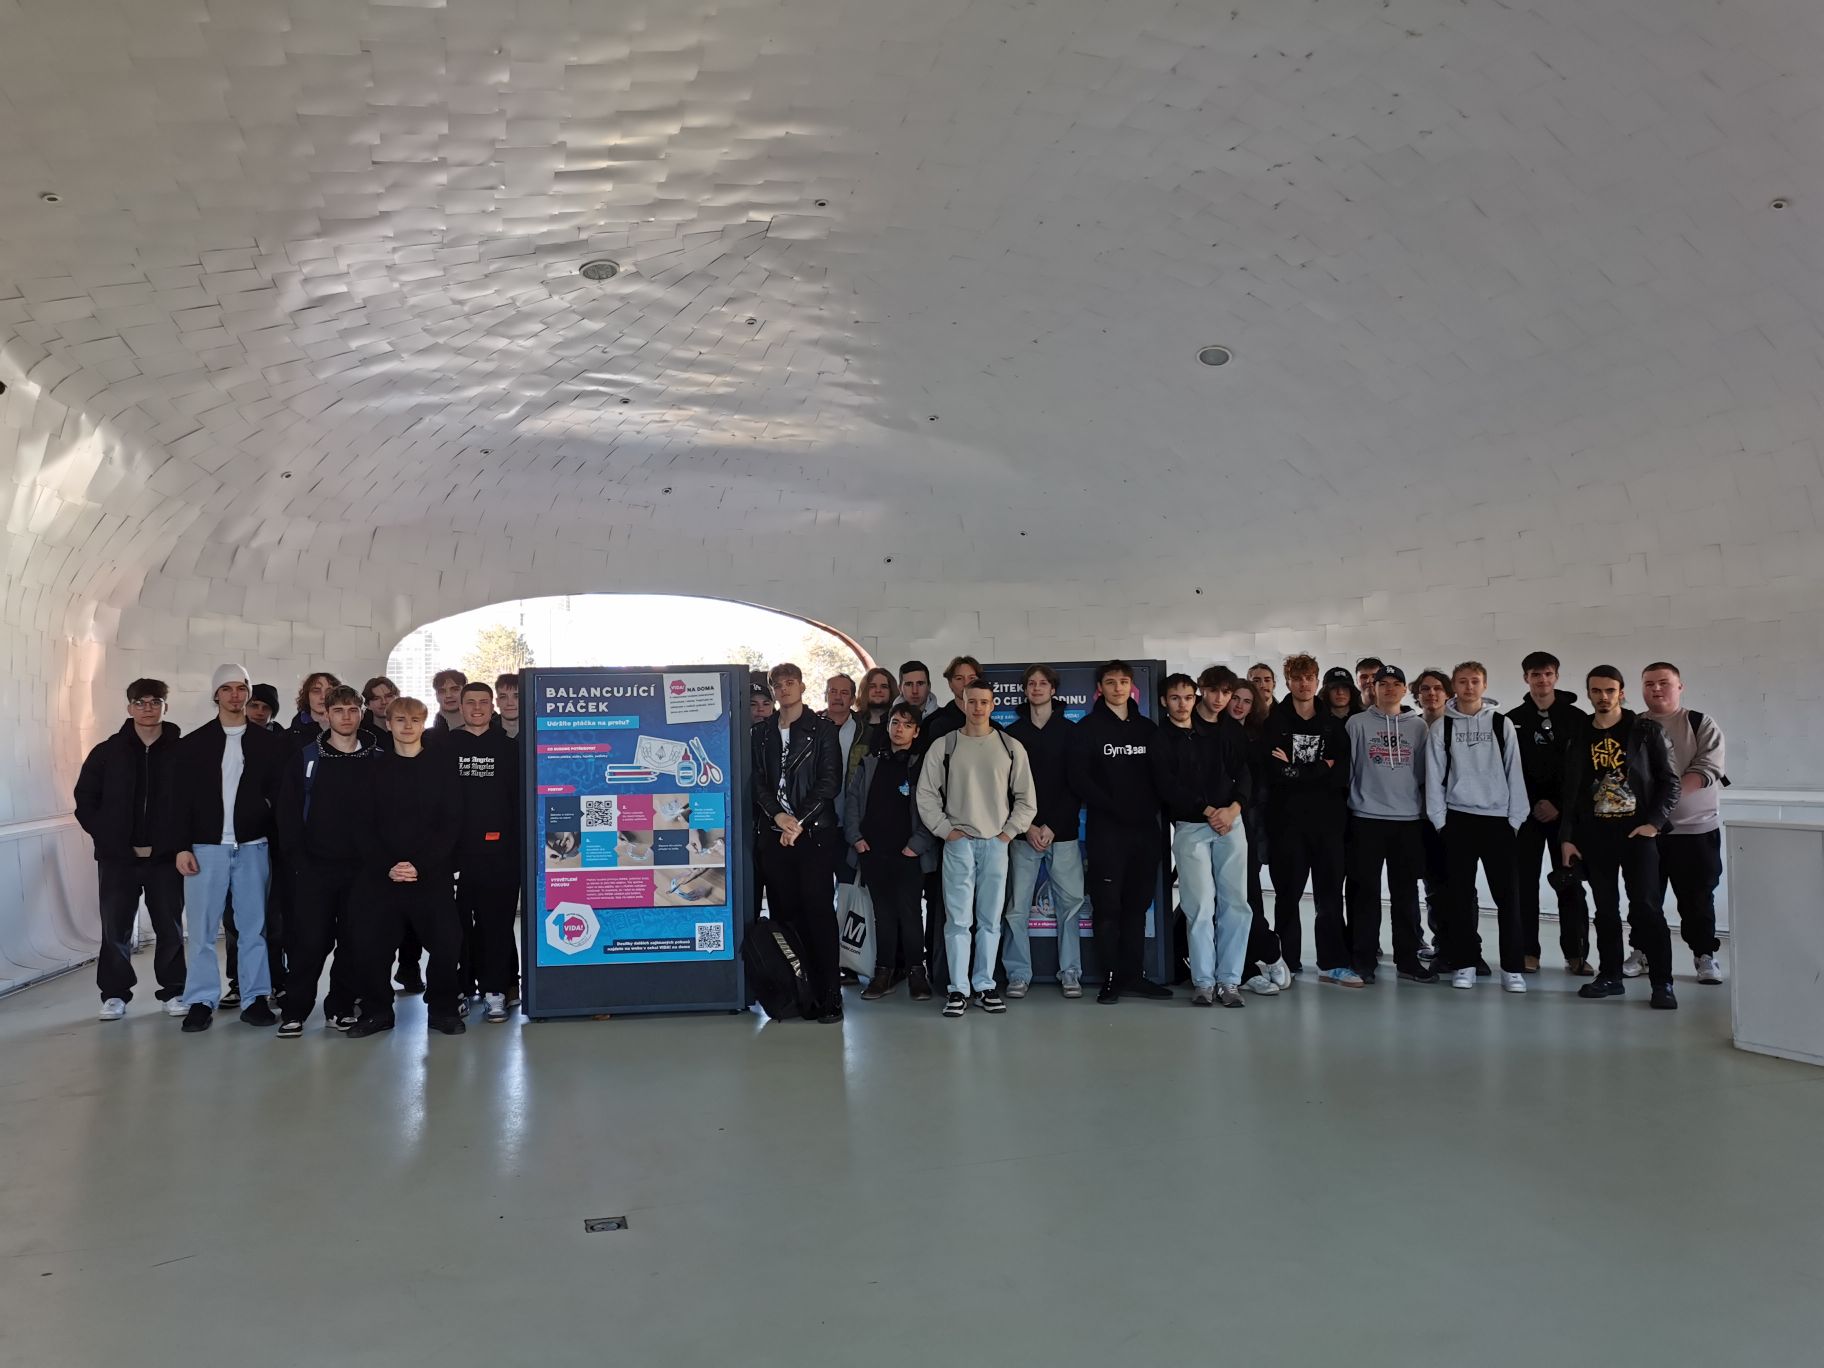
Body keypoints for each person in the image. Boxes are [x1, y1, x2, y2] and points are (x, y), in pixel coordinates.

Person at [167, 664, 288, 1032]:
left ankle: (255, 999)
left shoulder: (270, 744)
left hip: (253, 847)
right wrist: (181, 847)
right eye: (227, 688)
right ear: (216, 694)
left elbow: (281, 798)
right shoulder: (193, 745)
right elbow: (177, 801)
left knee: (254, 928)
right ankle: (201, 1000)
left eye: (241, 688)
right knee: (202, 931)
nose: (235, 695)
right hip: (206, 849)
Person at [915, 678, 1036, 1017]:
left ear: (993, 705)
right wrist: (946, 831)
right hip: (958, 845)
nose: (978, 707)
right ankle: (958, 989)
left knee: (990, 921)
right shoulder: (945, 745)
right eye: (972, 701)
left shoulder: (1010, 747)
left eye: (984, 702)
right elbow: (925, 793)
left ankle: (984, 986)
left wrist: (1007, 833)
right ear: (963, 703)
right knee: (957, 921)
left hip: (996, 844)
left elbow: (1026, 798)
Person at [1561, 667, 1680, 1010]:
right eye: (1596, 690)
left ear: (1621, 692)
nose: (1603, 697)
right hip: (1595, 835)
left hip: (1637, 834)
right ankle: (1610, 976)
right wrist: (1568, 837)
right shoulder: (1579, 733)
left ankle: (1662, 982)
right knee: (1605, 910)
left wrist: (1654, 824)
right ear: (1588, 693)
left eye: (1610, 690)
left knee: (1646, 907)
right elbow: (1570, 791)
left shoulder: (1645, 730)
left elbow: (1670, 781)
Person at [349, 697, 465, 1037]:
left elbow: (451, 824)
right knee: (373, 947)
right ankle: (377, 1012)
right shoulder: (372, 770)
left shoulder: (441, 769)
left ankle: (442, 1010)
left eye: (415, 719)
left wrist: (421, 865)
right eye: (400, 719)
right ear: (388, 724)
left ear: (424, 723)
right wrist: (388, 865)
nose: (408, 726)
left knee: (447, 943)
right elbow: (361, 825)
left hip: (431, 875)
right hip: (382, 877)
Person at [74, 678, 187, 1020]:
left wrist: (179, 843)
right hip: (118, 860)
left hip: (165, 860)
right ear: (129, 707)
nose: (148, 708)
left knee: (170, 929)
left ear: (166, 706)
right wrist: (107, 838)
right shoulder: (107, 752)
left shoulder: (183, 752)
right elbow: (85, 799)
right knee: (115, 930)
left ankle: (173, 991)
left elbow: (194, 801)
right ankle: (114, 995)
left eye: (155, 701)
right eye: (140, 702)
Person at [275, 685, 383, 1035]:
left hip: (363, 872)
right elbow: (288, 814)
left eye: (353, 710)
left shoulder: (379, 759)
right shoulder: (306, 758)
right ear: (327, 714)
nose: (346, 717)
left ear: (362, 713)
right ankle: (295, 1010)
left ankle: (340, 1007)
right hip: (315, 868)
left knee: (353, 942)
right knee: (310, 941)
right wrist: (299, 861)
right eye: (339, 710)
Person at [1068, 660, 1169, 1004]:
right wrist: (1114, 806)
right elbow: (1079, 779)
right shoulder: (1087, 729)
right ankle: (1111, 977)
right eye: (1110, 682)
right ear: (1100, 688)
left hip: (1145, 833)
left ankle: (1134, 975)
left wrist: (1146, 809)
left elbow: (1162, 778)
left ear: (1131, 687)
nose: (1118, 688)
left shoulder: (1148, 729)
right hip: (1106, 833)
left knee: (1137, 908)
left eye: (1123, 682)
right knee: (1108, 907)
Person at [1424, 661, 1529, 992]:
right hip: (1458, 820)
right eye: (1462, 681)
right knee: (1458, 898)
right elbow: (1434, 777)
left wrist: (1515, 819)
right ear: (1454, 686)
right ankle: (1464, 963)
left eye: (1475, 681)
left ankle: (1512, 969)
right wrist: (1440, 821)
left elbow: (1514, 771)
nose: (1468, 687)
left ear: (1484, 685)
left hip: (1499, 822)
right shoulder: (1442, 727)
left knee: (1509, 899)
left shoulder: (1501, 723)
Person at [1152, 672, 1253, 1007]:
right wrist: (1208, 810)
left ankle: (1230, 981)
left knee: (1236, 904)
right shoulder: (1170, 733)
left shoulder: (1231, 730)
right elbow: (1169, 785)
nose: (1220, 699)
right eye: (1213, 691)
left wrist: (1233, 809)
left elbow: (1245, 774)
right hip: (1192, 826)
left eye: (1226, 692)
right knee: (1200, 906)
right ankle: (1204, 982)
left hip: (1230, 823)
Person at [752, 662, 845, 1022]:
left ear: (803, 687)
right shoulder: (761, 733)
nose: (784, 689)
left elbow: (829, 782)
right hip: (775, 836)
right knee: (785, 916)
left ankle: (830, 994)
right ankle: (798, 991)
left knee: (819, 914)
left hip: (815, 835)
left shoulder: (823, 729)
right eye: (778, 684)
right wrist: (779, 817)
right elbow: (757, 782)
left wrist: (798, 822)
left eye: (791, 682)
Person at [1345, 666, 1438, 986]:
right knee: (1365, 893)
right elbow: (1350, 770)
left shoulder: (1418, 727)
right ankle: (1363, 960)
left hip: (1407, 821)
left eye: (1396, 684)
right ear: (1373, 688)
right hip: (1366, 818)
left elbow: (1424, 773)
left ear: (1404, 690)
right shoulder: (1357, 723)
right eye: (1382, 683)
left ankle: (1408, 960)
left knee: (1406, 894)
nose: (1389, 689)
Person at [1636, 662, 1728, 984]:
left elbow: (1706, 769)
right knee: (1644, 898)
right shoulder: (1634, 725)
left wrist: (1663, 807)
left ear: (1679, 686)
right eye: (1649, 683)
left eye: (1663, 682)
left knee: (1697, 898)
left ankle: (1704, 955)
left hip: (1695, 829)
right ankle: (1642, 951)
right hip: (1646, 832)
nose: (1656, 689)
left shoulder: (1700, 723)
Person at [1002, 664, 1088, 999]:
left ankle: (1071, 972)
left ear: (1053, 689)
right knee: (1016, 908)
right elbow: (1007, 789)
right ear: (1025, 690)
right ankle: (1018, 974)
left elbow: (1076, 784)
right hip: (1024, 834)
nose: (1037, 688)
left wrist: (1052, 825)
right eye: (1031, 683)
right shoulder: (1012, 734)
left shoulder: (1071, 731)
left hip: (1062, 833)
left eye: (1043, 683)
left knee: (1071, 906)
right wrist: (1029, 826)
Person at [1261, 654, 1349, 979]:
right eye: (1297, 678)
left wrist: (1295, 770)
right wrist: (1318, 768)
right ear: (1288, 682)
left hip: (1328, 825)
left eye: (1309, 677)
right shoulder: (1274, 723)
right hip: (1287, 824)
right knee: (1288, 896)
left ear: (1316, 680)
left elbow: (1339, 773)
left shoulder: (1333, 725)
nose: (1303, 684)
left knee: (1330, 896)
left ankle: (1331, 962)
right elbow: (1274, 772)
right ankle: (1287, 961)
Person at [1505, 651, 1592, 975]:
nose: (1542, 680)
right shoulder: (1511, 719)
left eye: (1547, 674)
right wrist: (1532, 803)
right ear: (1525, 678)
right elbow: (1509, 769)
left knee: (1570, 883)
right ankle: (1528, 951)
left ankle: (1576, 953)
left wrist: (1559, 806)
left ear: (1556, 676)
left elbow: (1581, 770)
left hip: (1565, 817)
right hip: (1526, 815)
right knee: (1523, 885)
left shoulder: (1577, 718)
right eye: (1535, 674)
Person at [845, 704, 937, 1000]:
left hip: (909, 854)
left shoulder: (922, 765)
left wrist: (917, 845)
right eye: (895, 723)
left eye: (907, 725)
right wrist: (856, 838)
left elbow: (934, 808)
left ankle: (916, 973)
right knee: (882, 915)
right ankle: (883, 972)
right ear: (887, 727)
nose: (899, 729)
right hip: (872, 851)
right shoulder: (870, 762)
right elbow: (852, 801)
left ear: (916, 732)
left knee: (910, 915)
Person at [447, 681, 521, 1022]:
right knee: (456, 927)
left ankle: (495, 991)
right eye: (470, 702)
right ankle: (460, 989)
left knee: (497, 924)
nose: (477, 708)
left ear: (492, 707)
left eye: (483, 702)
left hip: (501, 854)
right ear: (460, 707)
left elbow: (518, 802)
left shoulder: (510, 749)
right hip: (454, 855)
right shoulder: (443, 746)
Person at [1227, 679, 1286, 995]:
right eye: (1235, 698)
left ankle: (1268, 950)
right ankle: (1246, 968)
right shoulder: (1212, 732)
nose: (1239, 705)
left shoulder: (1259, 737)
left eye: (1246, 701)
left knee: (1248, 895)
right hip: (1216, 824)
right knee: (1226, 901)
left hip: (1249, 825)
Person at [1411, 668, 1452, 956]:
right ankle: (1440, 944)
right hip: (1421, 817)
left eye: (1437, 688)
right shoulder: (1413, 728)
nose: (1431, 693)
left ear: (1448, 693)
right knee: (1432, 884)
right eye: (1425, 689)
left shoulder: (1457, 727)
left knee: (1458, 884)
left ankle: (1464, 948)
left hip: (1453, 817)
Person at [850, 666, 897, 774]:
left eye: (884, 686)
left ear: (891, 691)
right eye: (872, 686)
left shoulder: (899, 726)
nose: (878, 690)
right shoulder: (852, 722)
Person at [289, 671, 340, 745]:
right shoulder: (288, 736)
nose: (323, 696)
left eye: (329, 692)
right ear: (307, 696)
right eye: (316, 691)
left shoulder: (350, 729)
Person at [362, 676, 398, 745]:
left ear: (397, 698)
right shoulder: (361, 732)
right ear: (367, 705)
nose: (384, 702)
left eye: (388, 696)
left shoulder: (409, 726)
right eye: (376, 698)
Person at [430, 669, 467, 734]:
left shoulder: (485, 725)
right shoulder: (426, 736)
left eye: (455, 689)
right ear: (436, 695)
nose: (448, 695)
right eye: (442, 691)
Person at [494, 673, 522, 740]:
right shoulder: (484, 730)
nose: (510, 703)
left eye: (516, 696)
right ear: (497, 702)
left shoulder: (538, 729)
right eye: (503, 697)